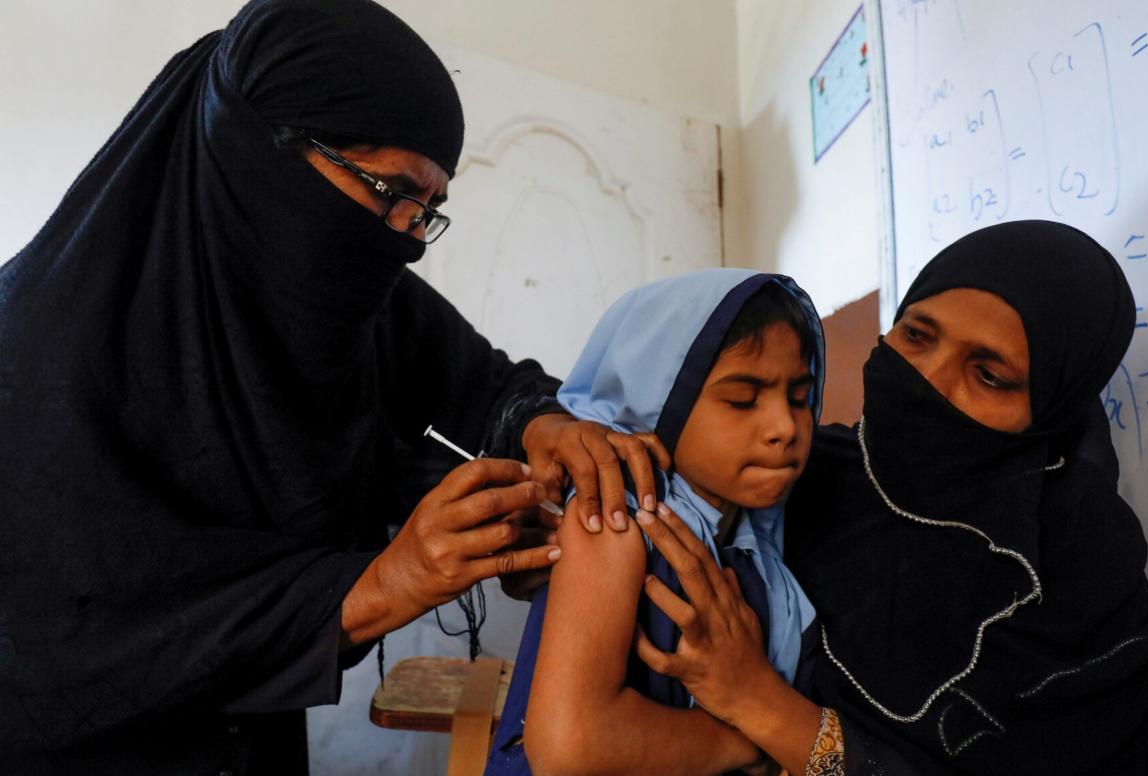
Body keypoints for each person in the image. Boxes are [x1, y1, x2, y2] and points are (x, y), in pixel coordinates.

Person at [0, 1, 665, 773]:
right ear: (260, 156)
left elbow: (473, 379)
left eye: (429, 212)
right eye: (391, 195)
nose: (408, 243)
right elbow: (63, 654)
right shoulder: (34, 367)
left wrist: (539, 423)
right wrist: (382, 584)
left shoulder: (342, 292)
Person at [621, 221, 1148, 775]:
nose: (926, 378)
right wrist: (555, 446)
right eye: (917, 336)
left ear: (1052, 405)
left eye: (990, 375)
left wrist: (760, 705)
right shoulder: (796, 469)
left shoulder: (1083, 566)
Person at [485, 270, 825, 775]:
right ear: (658, 401)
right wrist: (746, 742)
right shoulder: (614, 514)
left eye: (799, 397)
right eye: (742, 400)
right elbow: (571, 746)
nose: (784, 427)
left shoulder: (759, 541)